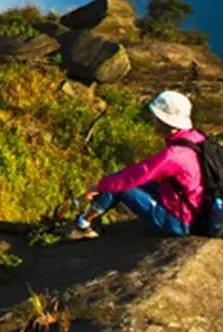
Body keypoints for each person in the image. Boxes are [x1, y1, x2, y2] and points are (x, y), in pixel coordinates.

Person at [64, 90, 204, 240]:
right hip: (192, 208)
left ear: (168, 122)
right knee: (119, 180)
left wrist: (100, 186)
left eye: (156, 117)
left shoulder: (174, 155)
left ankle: (83, 226)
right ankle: (88, 219)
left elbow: (141, 173)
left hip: (179, 221)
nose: (153, 120)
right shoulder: (196, 139)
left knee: (121, 186)